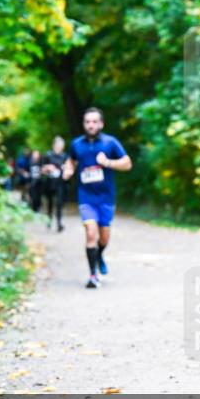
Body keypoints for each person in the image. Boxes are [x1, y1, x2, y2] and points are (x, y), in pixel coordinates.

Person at [63, 108, 132, 289]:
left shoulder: (110, 142)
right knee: (91, 233)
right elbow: (71, 160)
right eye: (87, 122)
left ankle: (99, 254)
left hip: (106, 197)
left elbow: (127, 163)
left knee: (104, 238)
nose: (91, 125)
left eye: (94, 122)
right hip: (86, 197)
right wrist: (68, 170)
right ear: (84, 124)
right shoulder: (77, 144)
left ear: (101, 124)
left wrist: (108, 162)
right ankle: (93, 276)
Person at [43, 135, 70, 232]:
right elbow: (42, 169)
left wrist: (66, 170)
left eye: (61, 145)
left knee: (59, 203)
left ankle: (59, 224)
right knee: (50, 203)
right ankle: (49, 220)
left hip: (60, 183)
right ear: (54, 145)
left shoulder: (65, 156)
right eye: (58, 144)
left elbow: (69, 168)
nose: (60, 146)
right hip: (50, 182)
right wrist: (48, 168)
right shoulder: (48, 155)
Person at [27, 149, 45, 213]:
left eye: (37, 154)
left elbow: (44, 171)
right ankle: (34, 209)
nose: (35, 155)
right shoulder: (30, 162)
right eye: (34, 154)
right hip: (32, 181)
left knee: (39, 196)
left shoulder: (41, 162)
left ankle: (38, 208)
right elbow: (28, 171)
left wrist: (42, 171)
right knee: (33, 195)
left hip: (39, 182)